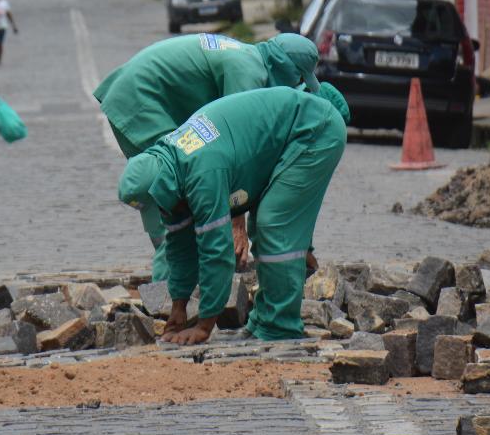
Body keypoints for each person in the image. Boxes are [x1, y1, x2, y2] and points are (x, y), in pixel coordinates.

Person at [118, 84, 350, 345]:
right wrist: (178, 308)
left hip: (315, 131)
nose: (164, 212)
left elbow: (217, 251)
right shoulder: (168, 171)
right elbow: (180, 244)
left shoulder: (201, 173)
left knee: (273, 223)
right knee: (266, 223)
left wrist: (205, 326)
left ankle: (280, 327)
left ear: (162, 188)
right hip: (283, 139)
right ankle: (264, 319)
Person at [94, 32, 322, 289]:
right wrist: (237, 224)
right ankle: (169, 292)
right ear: (286, 69)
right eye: (300, 79)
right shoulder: (249, 73)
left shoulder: (248, 56)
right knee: (173, 182)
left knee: (165, 190)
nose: (296, 88)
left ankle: (175, 283)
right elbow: (237, 151)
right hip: (141, 99)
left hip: (136, 93)